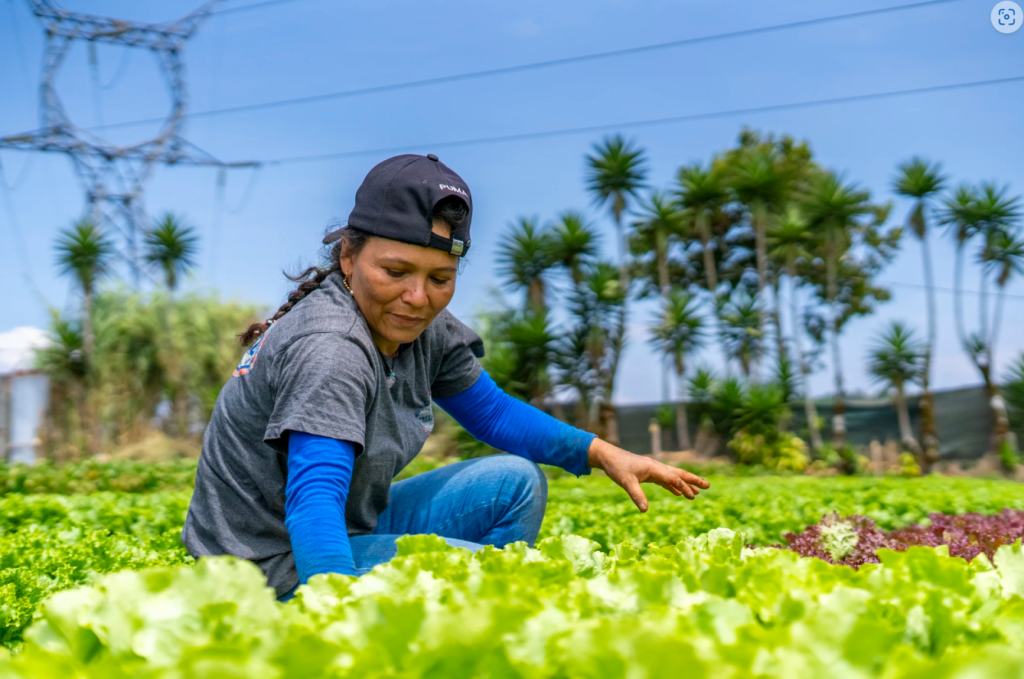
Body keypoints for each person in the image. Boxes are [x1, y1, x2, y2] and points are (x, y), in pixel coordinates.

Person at [181, 153, 710, 602]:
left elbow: (494, 411)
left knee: (514, 483)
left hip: (345, 528)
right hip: (262, 566)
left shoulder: (421, 328)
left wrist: (603, 453)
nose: (418, 297)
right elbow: (314, 500)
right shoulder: (332, 349)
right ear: (349, 256)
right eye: (395, 272)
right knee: (491, 578)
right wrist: (335, 624)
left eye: (440, 278)